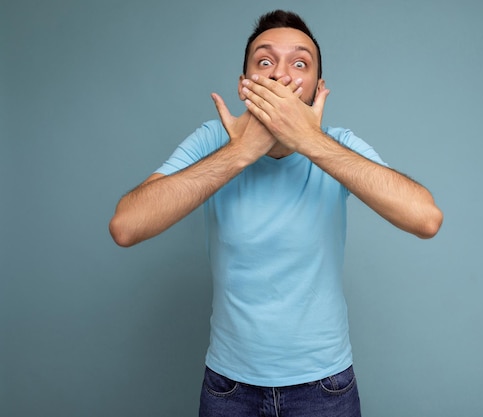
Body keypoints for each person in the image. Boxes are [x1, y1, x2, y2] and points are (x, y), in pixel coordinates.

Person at [109, 9, 443, 417]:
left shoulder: (337, 146)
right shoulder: (215, 140)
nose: (281, 75)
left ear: (319, 90)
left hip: (325, 387)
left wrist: (310, 141)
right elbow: (126, 226)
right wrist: (239, 153)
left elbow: (425, 218)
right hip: (228, 387)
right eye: (265, 62)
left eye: (299, 63)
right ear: (244, 84)